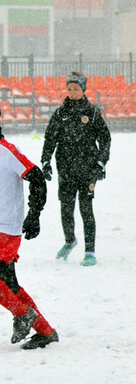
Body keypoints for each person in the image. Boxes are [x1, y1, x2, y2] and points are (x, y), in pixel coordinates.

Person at [40, 71, 111, 267]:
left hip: (88, 170)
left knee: (86, 210)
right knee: (66, 208)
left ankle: (90, 251)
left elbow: (105, 138)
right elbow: (50, 139)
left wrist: (101, 162)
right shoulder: (60, 114)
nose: (72, 92)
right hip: (66, 169)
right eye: (69, 89)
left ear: (83, 90)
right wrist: (45, 161)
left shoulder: (93, 112)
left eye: (76, 89)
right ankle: (70, 240)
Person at [0, 123, 60, 349]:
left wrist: (34, 214)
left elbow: (37, 177)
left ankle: (22, 314)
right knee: (9, 284)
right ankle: (45, 331)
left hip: (6, 227)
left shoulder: (7, 151)